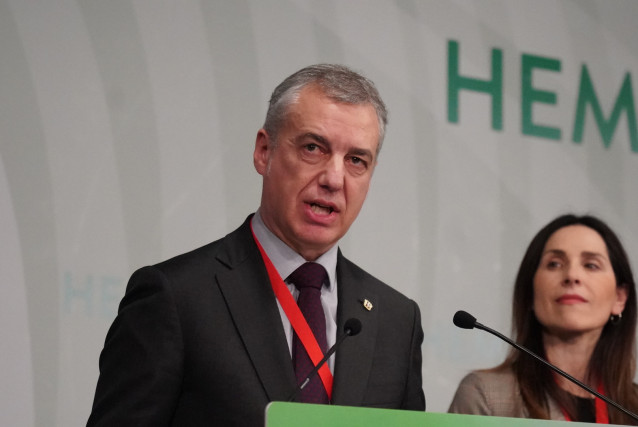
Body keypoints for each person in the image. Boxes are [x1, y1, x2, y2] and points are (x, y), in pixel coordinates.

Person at [87, 64, 425, 426]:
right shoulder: (175, 298)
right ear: (264, 151)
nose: (334, 178)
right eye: (314, 148)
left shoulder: (396, 321)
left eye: (356, 160)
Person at [449, 214, 638, 425]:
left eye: (591, 265)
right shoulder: (486, 396)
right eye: (555, 264)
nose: (572, 275)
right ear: (530, 292)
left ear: (620, 298)